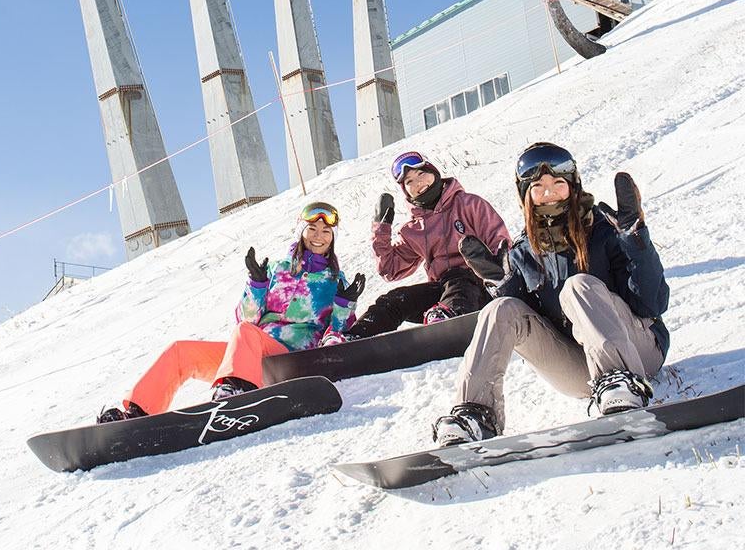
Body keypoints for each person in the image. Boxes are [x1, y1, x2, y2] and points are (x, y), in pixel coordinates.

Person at [432, 142, 670, 446]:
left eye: (558, 183)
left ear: (572, 187)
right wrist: (501, 285)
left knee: (578, 286)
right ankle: (475, 416)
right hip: (582, 369)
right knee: (500, 308)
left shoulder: (604, 229)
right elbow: (524, 323)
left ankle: (623, 384)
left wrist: (636, 241)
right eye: (538, 186)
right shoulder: (522, 254)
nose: (549, 193)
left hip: (639, 352)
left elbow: (652, 303)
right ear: (525, 196)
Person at [96, 201, 365, 422]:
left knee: (246, 334)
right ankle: (136, 412)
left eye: (325, 231)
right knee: (182, 351)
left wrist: (345, 306)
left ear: (332, 238)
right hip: (250, 356)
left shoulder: (334, 280)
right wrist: (257, 285)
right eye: (312, 229)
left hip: (293, 358)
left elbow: (337, 335)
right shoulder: (278, 269)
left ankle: (237, 392)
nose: (318, 236)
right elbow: (246, 320)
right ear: (301, 232)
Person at [323, 151, 510, 344]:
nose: (418, 183)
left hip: (481, 289)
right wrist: (381, 229)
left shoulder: (469, 203)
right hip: (445, 292)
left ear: (434, 173)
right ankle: (354, 337)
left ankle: (448, 319)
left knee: (459, 278)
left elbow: (501, 244)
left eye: (421, 174)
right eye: (409, 182)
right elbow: (390, 269)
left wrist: (493, 271)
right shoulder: (415, 229)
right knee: (396, 299)